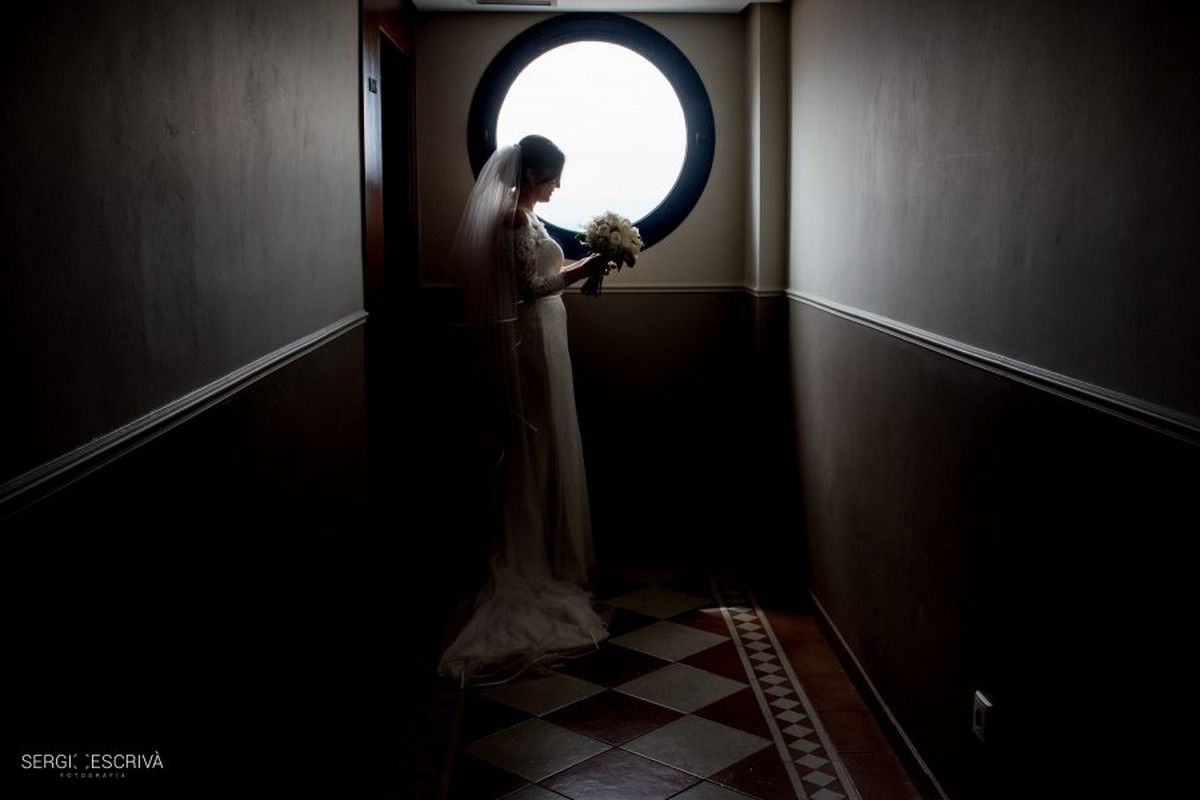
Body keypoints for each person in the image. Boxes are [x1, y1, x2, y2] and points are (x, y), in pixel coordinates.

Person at [438, 135, 611, 683]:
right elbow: (529, 287)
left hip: (548, 338)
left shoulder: (527, 218)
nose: (559, 186)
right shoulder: (513, 219)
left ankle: (553, 548)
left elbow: (540, 276)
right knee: (533, 442)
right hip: (531, 344)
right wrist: (584, 272)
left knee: (549, 438)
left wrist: (590, 261)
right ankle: (530, 556)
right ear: (534, 172)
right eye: (555, 176)